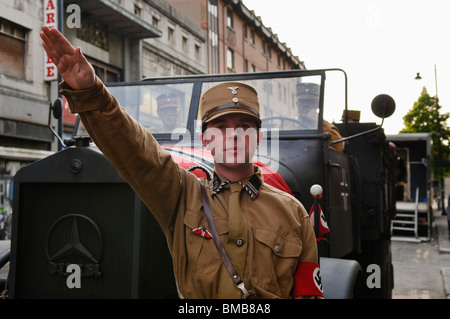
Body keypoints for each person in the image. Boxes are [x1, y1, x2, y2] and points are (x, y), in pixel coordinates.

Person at [40, 26, 323, 299]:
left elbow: (308, 294)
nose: (233, 135)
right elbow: (138, 151)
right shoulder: (183, 195)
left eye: (244, 125)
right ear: (206, 139)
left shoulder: (293, 213)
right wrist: (91, 93)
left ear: (258, 137)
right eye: (221, 127)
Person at [297, 83, 344, 152]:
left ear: (317, 105)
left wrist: (317, 122)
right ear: (297, 104)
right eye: (302, 101)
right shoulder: (287, 124)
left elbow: (339, 146)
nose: (305, 104)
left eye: (310, 101)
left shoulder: (326, 126)